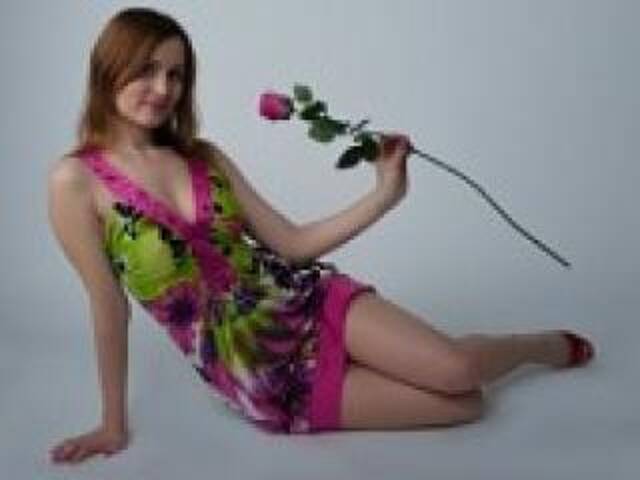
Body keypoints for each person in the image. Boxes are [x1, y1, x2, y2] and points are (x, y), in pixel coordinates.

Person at [47, 7, 595, 465]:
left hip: (306, 301)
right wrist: (112, 423)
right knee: (467, 406)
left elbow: (290, 242)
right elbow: (109, 307)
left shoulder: (203, 156)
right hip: (259, 368)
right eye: (147, 70)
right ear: (109, 68)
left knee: (459, 371)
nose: (163, 88)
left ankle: (535, 345)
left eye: (176, 74)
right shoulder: (75, 182)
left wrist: (385, 194)